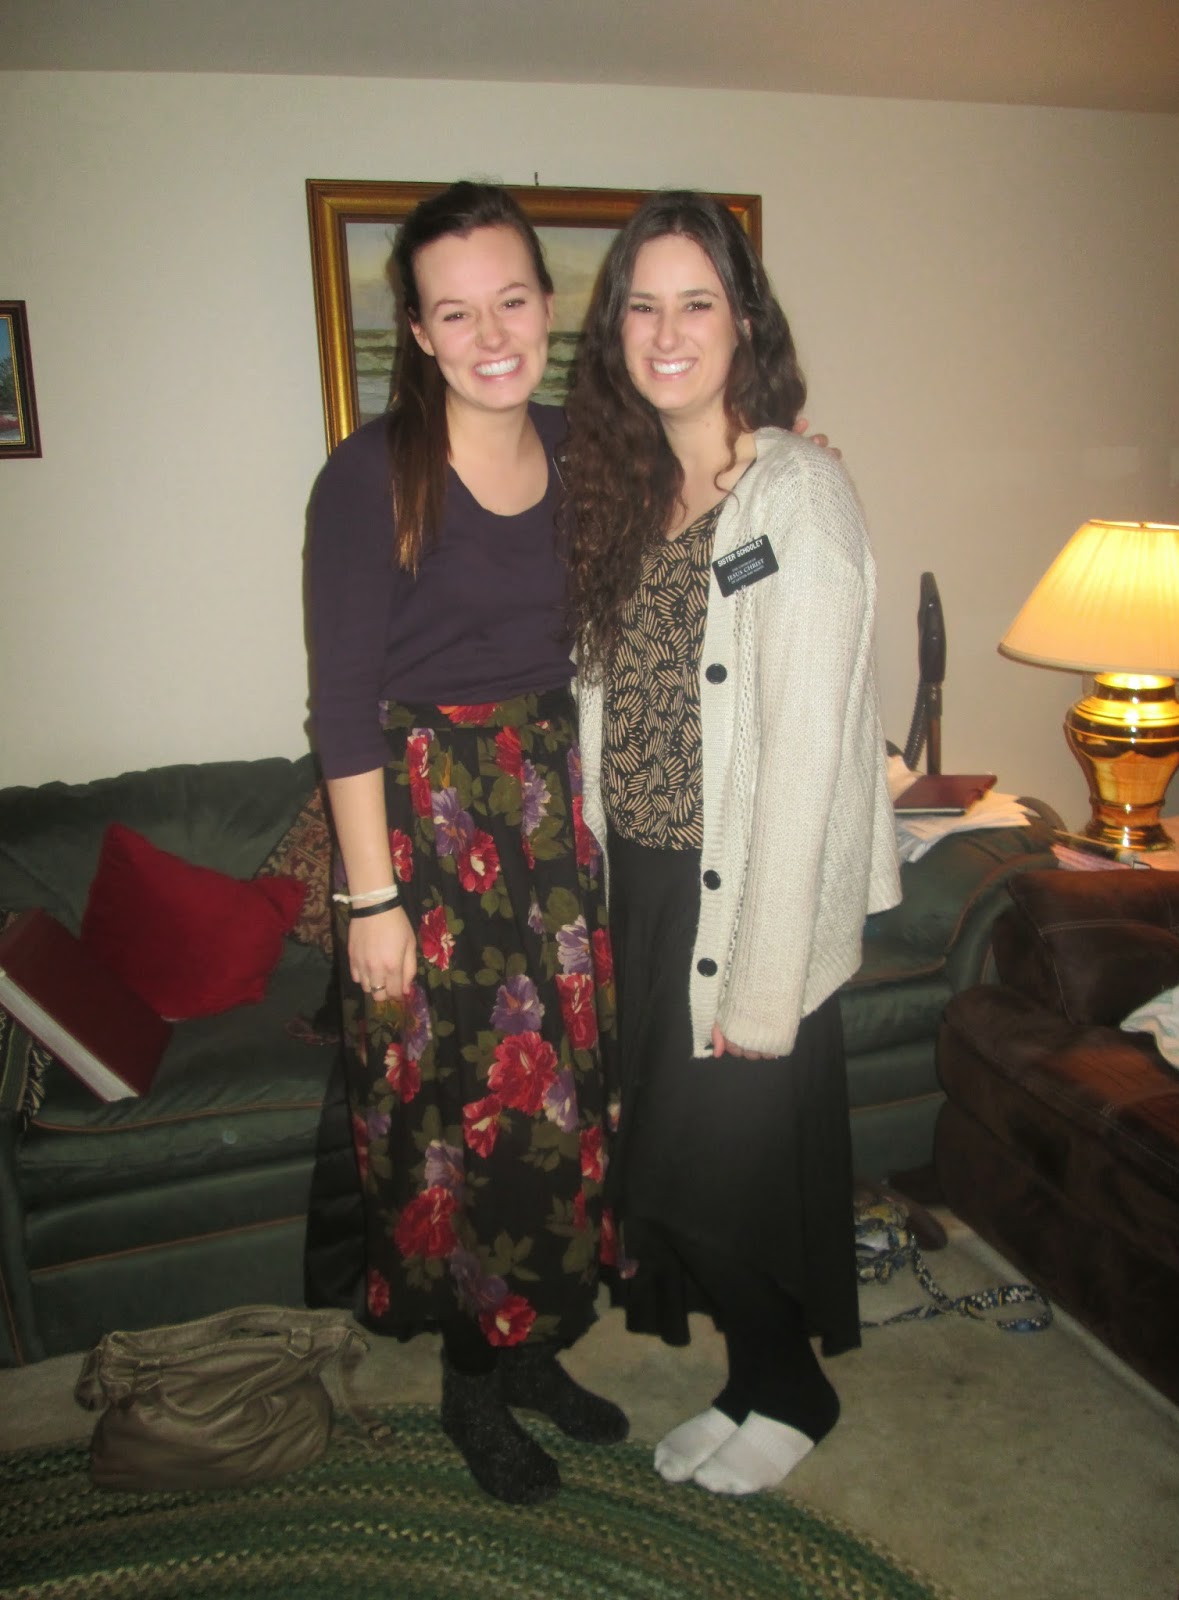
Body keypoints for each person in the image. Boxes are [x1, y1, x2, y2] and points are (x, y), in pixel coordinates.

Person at [564, 191, 901, 1497]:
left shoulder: (798, 493)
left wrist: (767, 980)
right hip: (646, 888)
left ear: (744, 321)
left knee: (705, 1173)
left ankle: (794, 1388)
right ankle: (757, 1379)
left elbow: (808, 751)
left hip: (749, 892)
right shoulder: (628, 492)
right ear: (615, 332)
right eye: (642, 306)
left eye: (696, 301)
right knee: (675, 1171)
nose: (668, 331)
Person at [305, 181, 626, 1508]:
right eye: (455, 312)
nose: (491, 334)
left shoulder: (581, 447)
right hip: (428, 835)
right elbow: (340, 705)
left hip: (548, 815)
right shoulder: (370, 475)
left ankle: (532, 1345)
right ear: (420, 331)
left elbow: (700, 501)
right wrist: (372, 901)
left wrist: (787, 459)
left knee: (562, 1108)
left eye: (512, 300)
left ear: (549, 305)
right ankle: (471, 1383)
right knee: (458, 1123)